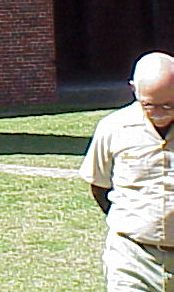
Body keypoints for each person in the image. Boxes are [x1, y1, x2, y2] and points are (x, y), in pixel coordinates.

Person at [80, 52, 174, 292]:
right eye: (149, 105)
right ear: (134, 90)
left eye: (168, 105)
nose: (159, 113)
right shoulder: (114, 128)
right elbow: (99, 186)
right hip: (133, 257)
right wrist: (135, 221)